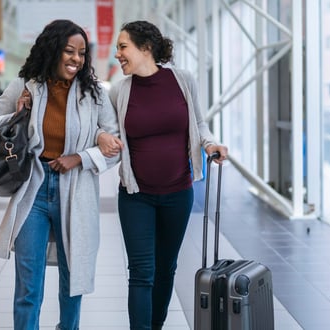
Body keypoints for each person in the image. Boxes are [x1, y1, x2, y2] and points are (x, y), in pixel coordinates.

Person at [0, 19, 123, 330]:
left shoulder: (93, 93)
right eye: (69, 51)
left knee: (73, 278)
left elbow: (116, 146)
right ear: (53, 49)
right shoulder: (26, 85)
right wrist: (16, 116)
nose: (76, 59)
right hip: (34, 189)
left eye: (82, 53)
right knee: (29, 282)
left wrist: (80, 158)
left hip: (77, 188)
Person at [109, 20, 228, 330]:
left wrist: (211, 143)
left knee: (166, 269)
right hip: (136, 196)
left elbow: (199, 124)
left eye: (123, 47)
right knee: (141, 271)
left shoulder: (182, 80)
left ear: (145, 48)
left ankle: (156, 326)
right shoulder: (120, 90)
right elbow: (107, 131)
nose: (117, 54)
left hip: (178, 193)